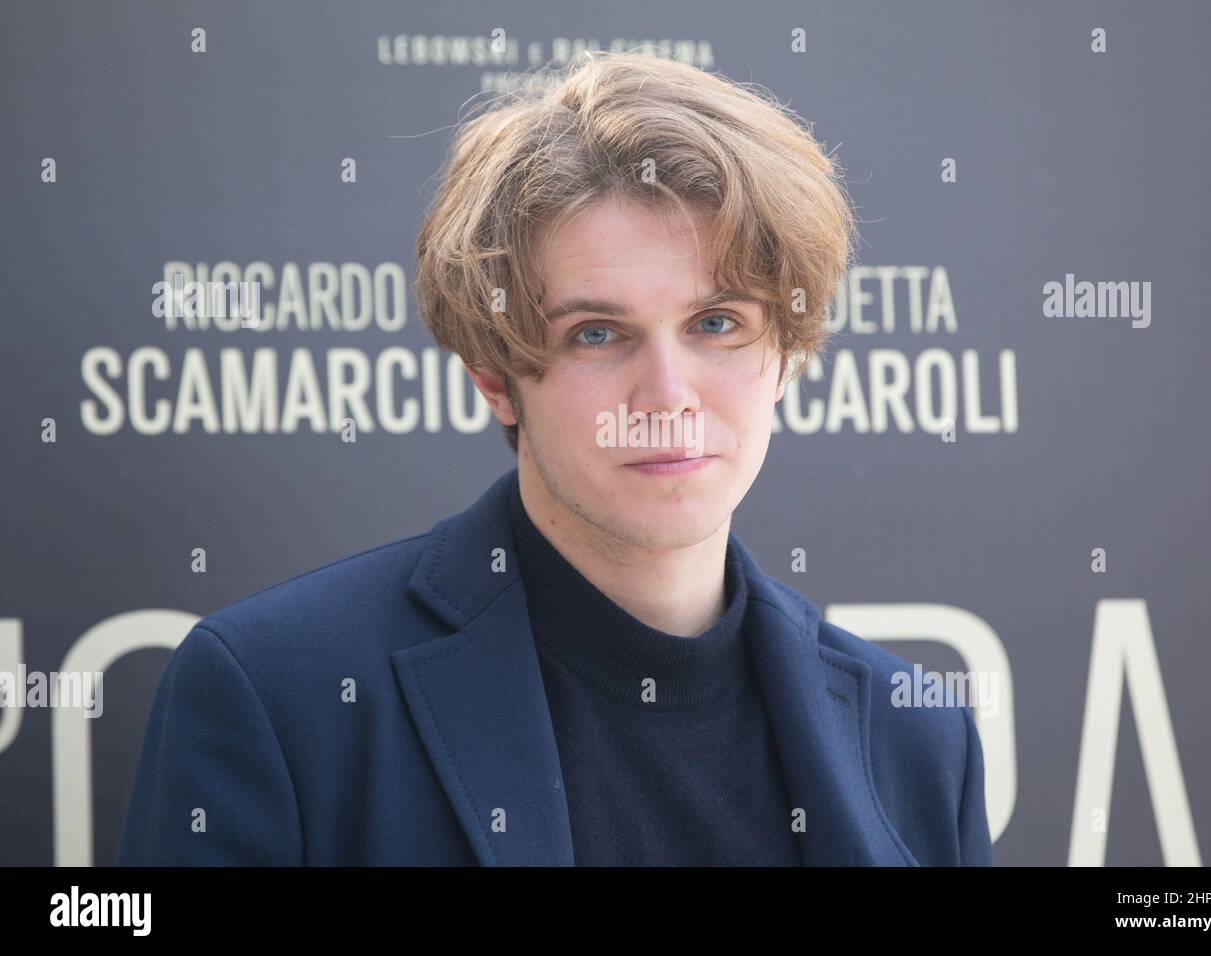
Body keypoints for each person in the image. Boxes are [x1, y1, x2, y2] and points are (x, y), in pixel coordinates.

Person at [116, 50, 993, 866]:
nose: (668, 394)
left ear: (787, 350)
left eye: (716, 323)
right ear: (496, 378)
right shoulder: (278, 694)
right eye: (598, 333)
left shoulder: (917, 735)